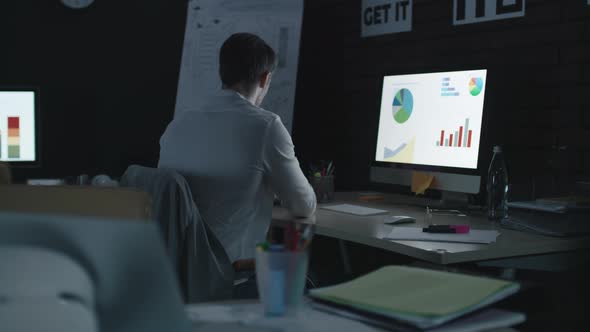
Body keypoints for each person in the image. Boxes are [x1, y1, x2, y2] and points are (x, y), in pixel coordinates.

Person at [158, 33, 316, 293]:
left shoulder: (178, 125)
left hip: (176, 274)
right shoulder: (266, 126)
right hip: (232, 273)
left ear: (223, 72)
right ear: (265, 78)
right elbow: (303, 205)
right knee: (317, 280)